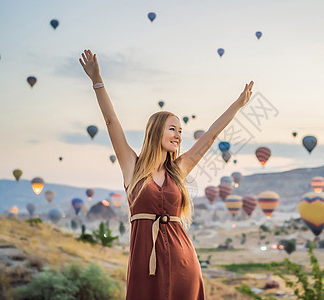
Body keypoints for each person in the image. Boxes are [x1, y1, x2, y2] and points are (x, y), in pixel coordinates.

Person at [79, 49, 254, 300]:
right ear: (155, 132)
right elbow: (110, 121)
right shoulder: (132, 167)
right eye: (172, 129)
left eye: (180, 131)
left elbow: (211, 136)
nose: (178, 135)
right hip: (145, 265)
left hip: (183, 261)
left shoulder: (179, 169)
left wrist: (237, 105)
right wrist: (97, 80)